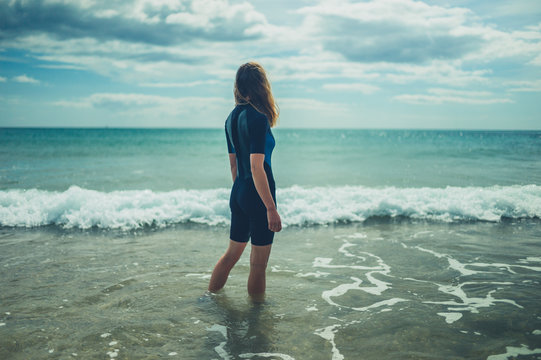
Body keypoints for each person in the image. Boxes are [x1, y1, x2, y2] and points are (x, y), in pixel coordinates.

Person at [208, 62, 282, 298]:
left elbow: (234, 164)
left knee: (231, 255)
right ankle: (257, 320)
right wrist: (270, 208)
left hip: (239, 192)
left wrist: (242, 193)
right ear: (262, 86)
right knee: (258, 266)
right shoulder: (258, 119)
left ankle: (209, 299)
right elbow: (256, 166)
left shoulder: (230, 119)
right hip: (258, 197)